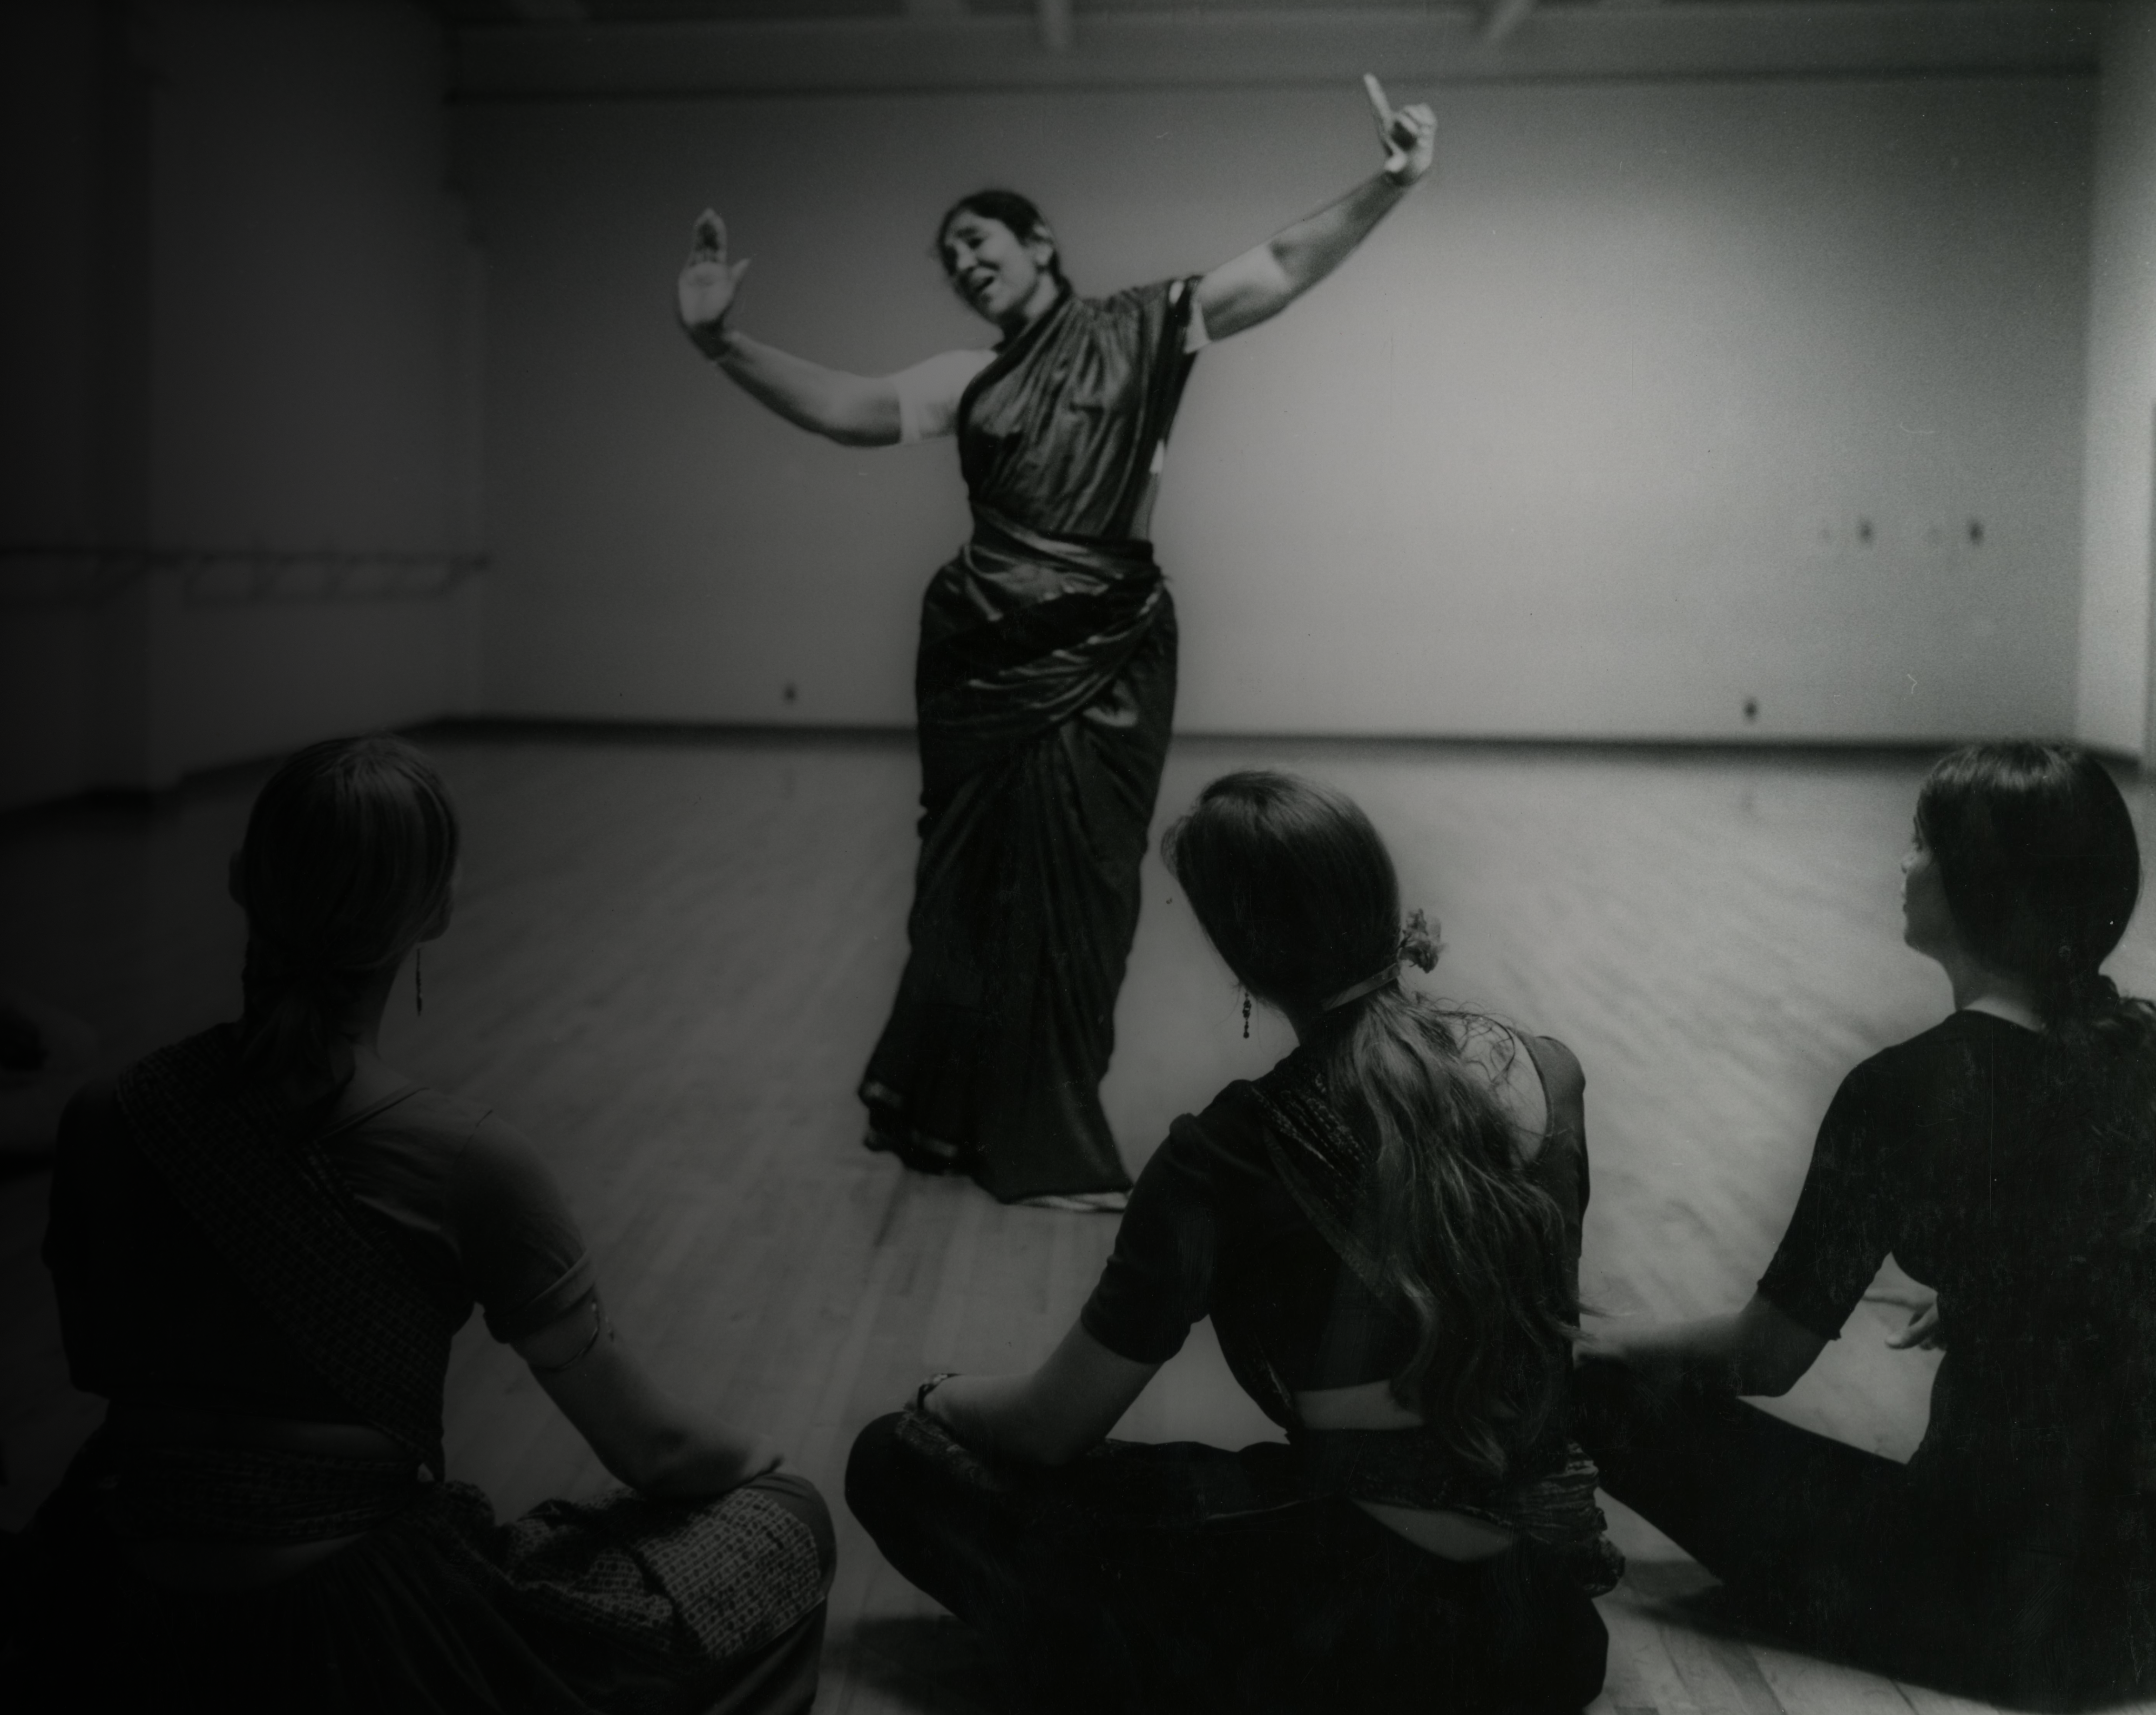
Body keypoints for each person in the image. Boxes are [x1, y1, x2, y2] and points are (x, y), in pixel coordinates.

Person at [676, 79, 1438, 1209]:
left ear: (1040, 244)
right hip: (980, 652)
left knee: (1082, 897)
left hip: (1108, 646)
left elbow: (1275, 267)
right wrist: (722, 344)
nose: (962, 263)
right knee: (965, 894)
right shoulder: (964, 381)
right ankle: (956, 1122)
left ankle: (1043, 1134)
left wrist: (1390, 181)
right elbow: (844, 410)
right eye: (948, 257)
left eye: (977, 241)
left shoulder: (1144, 325)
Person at [24, 735, 834, 1714]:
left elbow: (97, 1360)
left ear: (242, 880)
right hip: (353, 1637)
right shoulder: (471, 1162)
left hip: (109, 1610)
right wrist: (765, 1470)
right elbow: (653, 1451)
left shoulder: (104, 1119)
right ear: (437, 912)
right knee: (782, 1527)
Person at [846, 771, 1616, 1714]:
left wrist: (941, 1397)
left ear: (1243, 962)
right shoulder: (1550, 1073)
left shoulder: (1223, 1158)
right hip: (1546, 1640)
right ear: (1380, 902)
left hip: (1360, 1636)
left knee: (894, 1457)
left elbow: (1051, 1427)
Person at [1575, 741, 2156, 1709]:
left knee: (1588, 1389)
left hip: (1998, 1613)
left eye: (1920, 840)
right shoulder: (2140, 1052)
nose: (1903, 862)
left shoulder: (1902, 1091)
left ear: (1976, 882)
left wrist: (1596, 1343)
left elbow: (1766, 1357)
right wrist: (2022, 1292)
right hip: (2141, 1609)